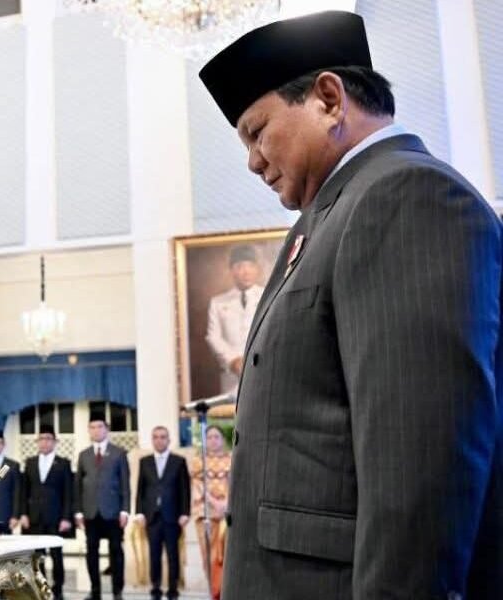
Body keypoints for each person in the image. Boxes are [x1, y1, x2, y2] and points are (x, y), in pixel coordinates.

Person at [198, 11, 501, 599]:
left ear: (329, 99)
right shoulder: (328, 216)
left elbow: (419, 478)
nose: (252, 161)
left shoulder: (406, 195)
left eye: (257, 132)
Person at [74, 411, 131, 600]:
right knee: (91, 552)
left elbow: (125, 483)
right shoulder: (83, 455)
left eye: (100, 427)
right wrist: (78, 512)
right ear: (89, 430)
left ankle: (117, 591)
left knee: (116, 551)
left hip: (113, 512)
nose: (96, 430)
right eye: (92, 427)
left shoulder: (118, 453)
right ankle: (95, 590)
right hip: (91, 512)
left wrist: (125, 510)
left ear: (107, 429)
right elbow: (78, 485)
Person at [135, 426, 190, 600]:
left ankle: (173, 589)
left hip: (172, 516)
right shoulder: (145, 462)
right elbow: (140, 490)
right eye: (156, 437)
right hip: (152, 517)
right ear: (152, 440)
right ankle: (156, 588)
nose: (159, 440)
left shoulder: (178, 461)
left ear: (169, 440)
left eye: (163, 437)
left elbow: (185, 489)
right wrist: (139, 513)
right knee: (154, 554)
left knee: (173, 554)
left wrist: (185, 512)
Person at [20, 424, 74, 600]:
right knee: (37, 556)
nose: (44, 442)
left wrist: (66, 517)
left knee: (57, 555)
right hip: (34, 517)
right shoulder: (30, 462)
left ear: (55, 442)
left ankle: (58, 589)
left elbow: (68, 492)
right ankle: (41, 588)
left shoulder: (63, 463)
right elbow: (24, 491)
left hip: (56, 517)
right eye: (41, 439)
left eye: (48, 439)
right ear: (37, 442)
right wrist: (23, 514)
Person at [204, 245, 263, 393]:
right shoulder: (218, 302)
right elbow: (213, 336)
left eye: (250, 265)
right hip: (231, 378)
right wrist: (233, 360)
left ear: (257, 269)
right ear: (231, 270)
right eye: (240, 266)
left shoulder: (268, 297)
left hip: (262, 371)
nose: (246, 271)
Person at [189, 425, 231, 600]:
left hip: (228, 515)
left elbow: (236, 483)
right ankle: (214, 592)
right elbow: (198, 486)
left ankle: (226, 592)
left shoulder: (232, 459)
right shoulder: (198, 461)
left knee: (227, 555)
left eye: (216, 437)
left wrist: (226, 503)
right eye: (209, 437)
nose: (213, 440)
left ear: (223, 440)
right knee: (209, 556)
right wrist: (215, 503)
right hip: (205, 514)